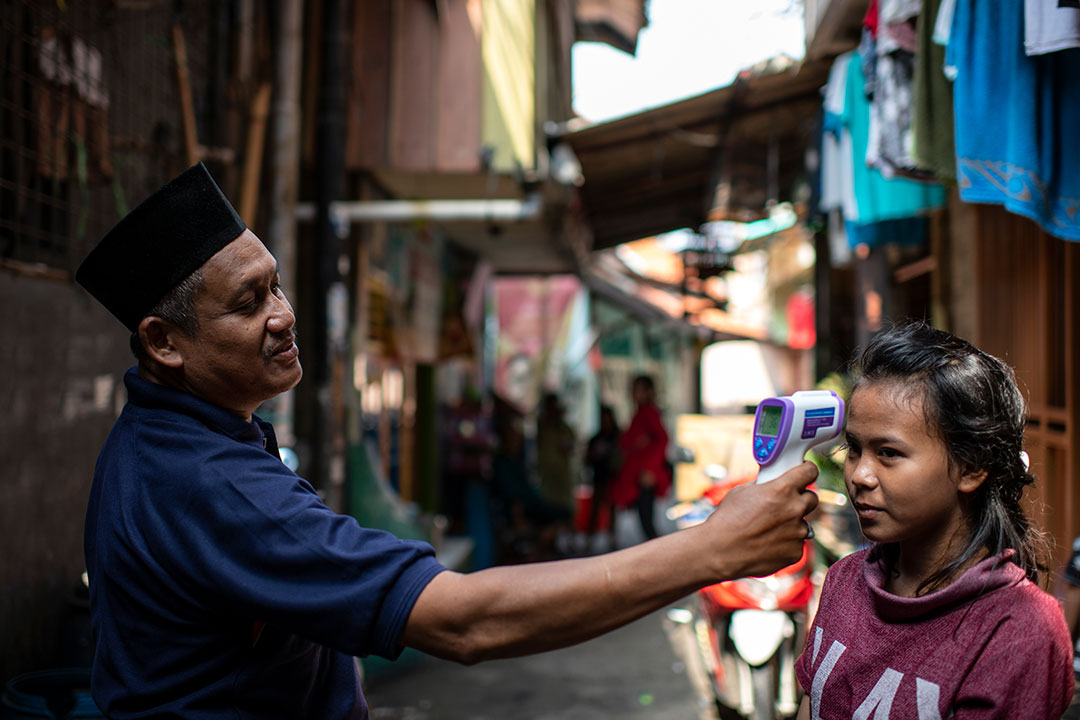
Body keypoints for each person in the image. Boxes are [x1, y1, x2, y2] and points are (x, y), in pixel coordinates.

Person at [76, 163, 819, 720]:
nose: (281, 314)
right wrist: (712, 550)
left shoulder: (163, 440)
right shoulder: (207, 482)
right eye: (247, 303)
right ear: (163, 343)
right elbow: (464, 620)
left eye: (274, 286)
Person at [795, 322, 1073, 719]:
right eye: (854, 448)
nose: (859, 475)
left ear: (971, 467)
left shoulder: (1018, 630)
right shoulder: (844, 581)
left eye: (888, 453)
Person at [613, 375, 671, 541]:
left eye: (638, 390)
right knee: (643, 521)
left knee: (646, 521)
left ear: (648, 392)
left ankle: (659, 559)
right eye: (634, 389)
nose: (634, 394)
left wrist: (650, 470)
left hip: (644, 476)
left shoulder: (649, 413)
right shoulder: (640, 413)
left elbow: (662, 439)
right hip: (637, 476)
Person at [583, 405, 621, 552]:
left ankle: (612, 541)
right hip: (599, 479)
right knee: (595, 510)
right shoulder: (596, 439)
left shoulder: (617, 437)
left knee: (612, 511)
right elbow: (587, 459)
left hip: (613, 480)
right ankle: (589, 541)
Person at [535, 391, 577, 515]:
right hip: (547, 475)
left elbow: (571, 445)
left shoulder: (564, 428)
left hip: (562, 474)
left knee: (564, 504)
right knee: (549, 505)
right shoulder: (543, 426)